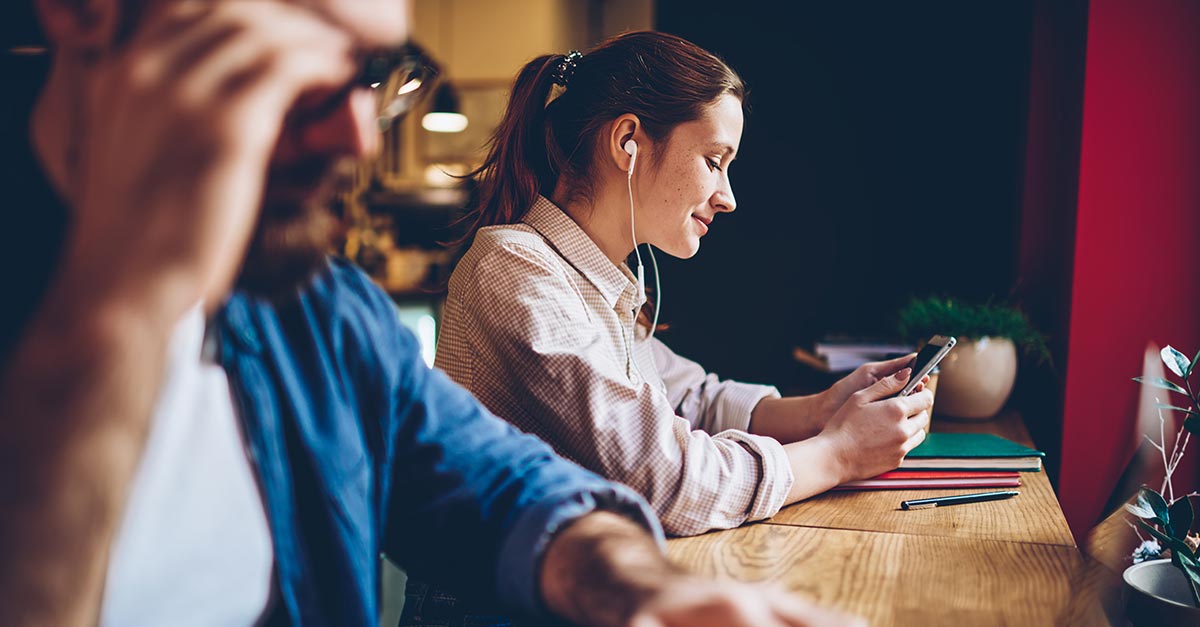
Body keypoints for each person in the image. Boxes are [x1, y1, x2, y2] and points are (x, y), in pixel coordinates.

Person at [0, 1, 865, 626]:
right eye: (298, 64)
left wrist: (629, 584)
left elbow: (504, 487)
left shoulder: (321, 317)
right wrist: (125, 306)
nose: (358, 137)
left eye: (369, 75)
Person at [435, 31, 934, 536]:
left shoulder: (597, 280)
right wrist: (839, 454)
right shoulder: (514, 269)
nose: (728, 197)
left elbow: (692, 400)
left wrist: (823, 409)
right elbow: (665, 477)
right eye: (714, 161)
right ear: (627, 142)